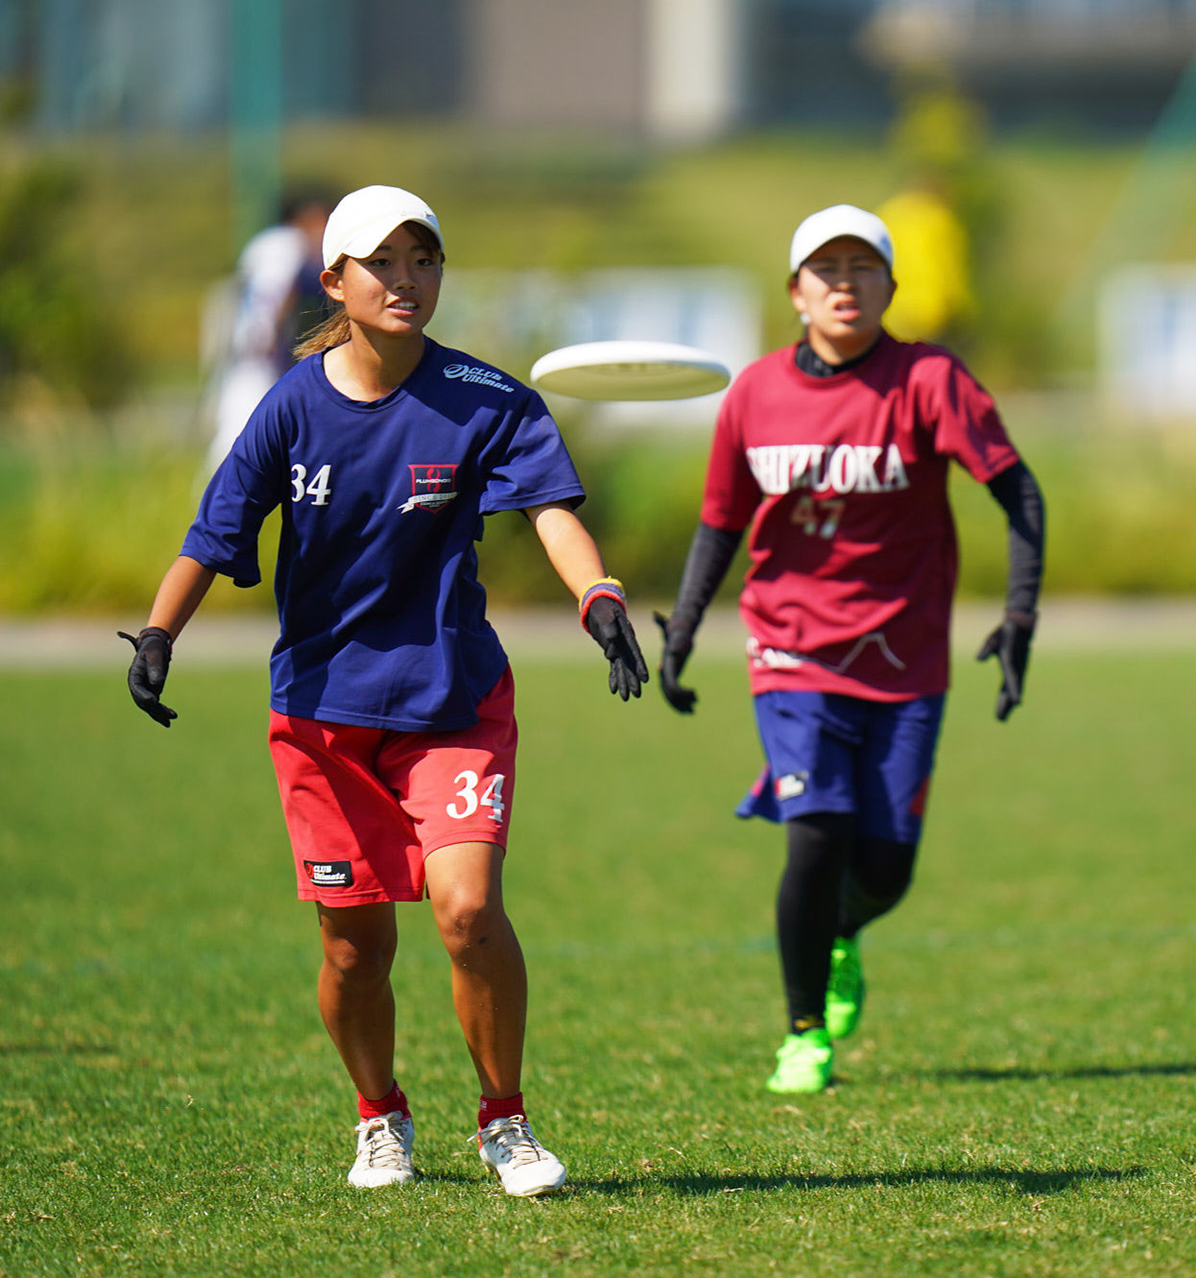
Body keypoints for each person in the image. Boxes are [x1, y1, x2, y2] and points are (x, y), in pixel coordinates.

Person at [121, 185, 649, 1195]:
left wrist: (600, 596)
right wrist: (157, 633)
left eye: (424, 259)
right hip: (322, 717)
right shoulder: (292, 404)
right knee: (354, 949)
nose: (406, 279)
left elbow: (552, 511)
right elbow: (216, 530)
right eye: (383, 262)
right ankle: (380, 1115)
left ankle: (505, 1121)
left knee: (467, 908)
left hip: (453, 702)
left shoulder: (487, 398)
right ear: (335, 280)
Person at [653, 204, 1045, 1094]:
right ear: (796, 293)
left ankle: (841, 935)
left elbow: (1020, 493)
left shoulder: (930, 380)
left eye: (862, 267)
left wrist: (1020, 615)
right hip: (790, 652)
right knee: (816, 838)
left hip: (906, 657)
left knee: (886, 868)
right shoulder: (755, 393)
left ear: (890, 287)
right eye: (825, 270)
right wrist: (684, 629)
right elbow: (720, 522)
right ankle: (803, 1033)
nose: (844, 283)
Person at [205, 191, 333, 471]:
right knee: (241, 432)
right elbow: (278, 294)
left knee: (243, 426)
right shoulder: (287, 245)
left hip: (244, 349)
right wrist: (271, 335)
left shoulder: (266, 243)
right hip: (258, 352)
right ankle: (217, 491)